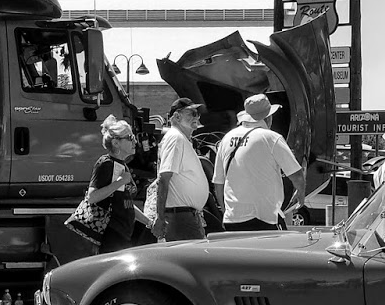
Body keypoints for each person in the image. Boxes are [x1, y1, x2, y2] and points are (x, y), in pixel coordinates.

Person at [212, 93, 304, 231]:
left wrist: (227, 212)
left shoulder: (226, 138)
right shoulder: (271, 138)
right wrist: (301, 195)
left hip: (232, 219)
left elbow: (218, 183)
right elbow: (296, 175)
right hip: (264, 218)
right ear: (268, 117)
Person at [153, 98, 210, 242]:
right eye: (192, 113)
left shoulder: (180, 139)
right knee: (195, 261)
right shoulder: (176, 138)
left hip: (184, 215)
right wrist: (160, 217)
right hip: (180, 217)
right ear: (177, 117)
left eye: (197, 113)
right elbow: (164, 179)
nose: (197, 117)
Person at [85, 116, 141, 253]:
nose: (135, 141)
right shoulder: (105, 163)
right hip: (111, 234)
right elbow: (92, 197)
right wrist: (120, 182)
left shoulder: (122, 165)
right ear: (116, 143)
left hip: (124, 234)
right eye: (130, 137)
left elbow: (125, 202)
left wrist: (149, 223)